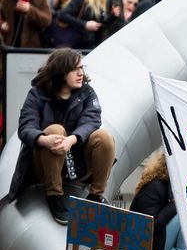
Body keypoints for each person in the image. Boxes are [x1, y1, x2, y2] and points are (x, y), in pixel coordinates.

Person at [4, 49, 115, 224]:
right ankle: (54, 196)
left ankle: (95, 197)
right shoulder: (37, 94)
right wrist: (43, 139)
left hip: (77, 164)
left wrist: (72, 139)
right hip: (44, 165)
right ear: (61, 72)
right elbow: (26, 127)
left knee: (104, 137)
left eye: (82, 67)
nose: (81, 73)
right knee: (55, 130)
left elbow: (92, 120)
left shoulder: (87, 93)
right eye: (75, 69)